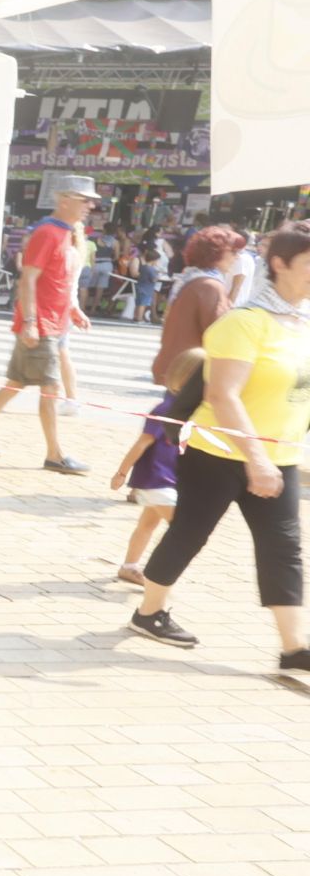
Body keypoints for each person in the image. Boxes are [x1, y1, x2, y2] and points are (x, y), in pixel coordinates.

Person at [128, 222, 310, 668]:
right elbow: (222, 395)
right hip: (219, 452)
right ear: (280, 264)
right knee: (190, 532)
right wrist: (256, 461)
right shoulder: (244, 323)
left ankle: (293, 648)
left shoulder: (303, 323)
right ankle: (149, 612)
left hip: (279, 454)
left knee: (282, 548)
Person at [0, 179, 100, 473]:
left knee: (15, 385)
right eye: (84, 200)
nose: (90, 206)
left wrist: (72, 308)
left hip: (53, 323)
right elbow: (29, 280)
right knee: (50, 387)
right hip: (43, 324)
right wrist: (31, 322)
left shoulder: (67, 234)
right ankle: (55, 454)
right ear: (64, 200)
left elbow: (57, 280)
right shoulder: (48, 233)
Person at [110, 347, 205, 587]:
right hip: (155, 479)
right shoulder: (166, 409)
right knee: (183, 529)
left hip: (167, 479)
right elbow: (142, 443)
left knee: (148, 524)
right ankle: (159, 574)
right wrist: (122, 472)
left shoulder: (189, 410)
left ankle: (129, 567)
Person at [152, 224, 237, 385]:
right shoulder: (210, 286)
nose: (236, 257)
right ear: (215, 254)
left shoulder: (191, 277)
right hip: (193, 373)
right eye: (232, 252)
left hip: (177, 368)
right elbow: (220, 333)